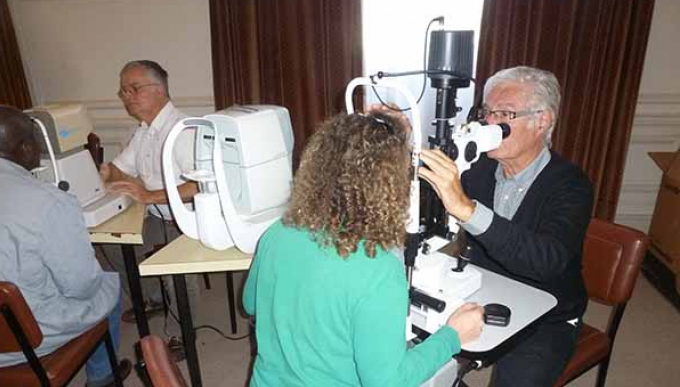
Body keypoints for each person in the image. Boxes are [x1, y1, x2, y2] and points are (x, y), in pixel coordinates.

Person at [243, 111, 484, 387]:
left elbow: (251, 303)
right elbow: (387, 382)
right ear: (392, 188)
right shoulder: (379, 269)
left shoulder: (277, 233)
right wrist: (452, 336)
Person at [419, 66, 594, 387]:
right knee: (410, 355)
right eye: (487, 112)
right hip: (482, 288)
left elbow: (547, 262)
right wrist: (398, 132)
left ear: (542, 121)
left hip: (548, 310)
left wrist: (469, 211)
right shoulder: (478, 169)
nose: (490, 123)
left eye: (505, 113)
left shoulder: (571, 185)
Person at [0, 105, 130, 387]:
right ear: (25, 148)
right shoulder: (50, 201)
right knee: (109, 284)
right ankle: (102, 377)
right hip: (24, 339)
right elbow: (83, 286)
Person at [98, 60, 198, 323]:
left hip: (190, 220)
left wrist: (149, 196)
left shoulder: (183, 130)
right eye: (124, 91)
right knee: (114, 245)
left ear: (160, 90)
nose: (127, 97)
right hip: (159, 216)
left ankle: (183, 331)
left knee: (172, 268)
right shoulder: (144, 131)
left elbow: (199, 186)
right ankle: (153, 298)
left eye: (135, 88)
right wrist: (105, 173)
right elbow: (120, 168)